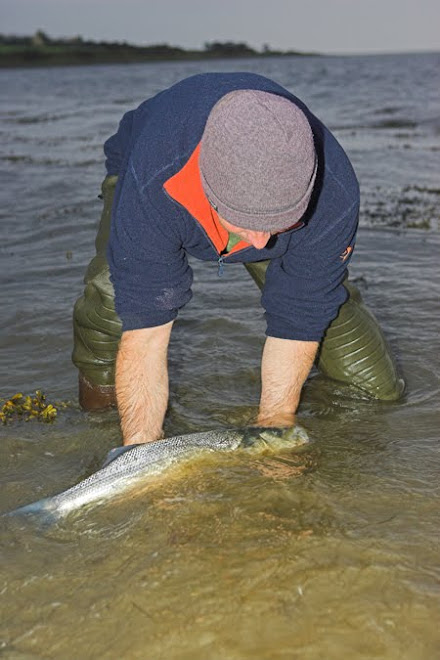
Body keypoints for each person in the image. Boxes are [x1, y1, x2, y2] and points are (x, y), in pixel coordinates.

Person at [73, 72, 404, 446]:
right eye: (249, 224)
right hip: (152, 170)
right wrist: (138, 457)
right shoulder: (154, 184)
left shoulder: (334, 195)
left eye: (280, 221)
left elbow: (298, 318)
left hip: (270, 202)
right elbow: (147, 339)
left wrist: (275, 429)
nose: (262, 244)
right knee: (110, 308)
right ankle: (95, 424)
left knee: (377, 389)